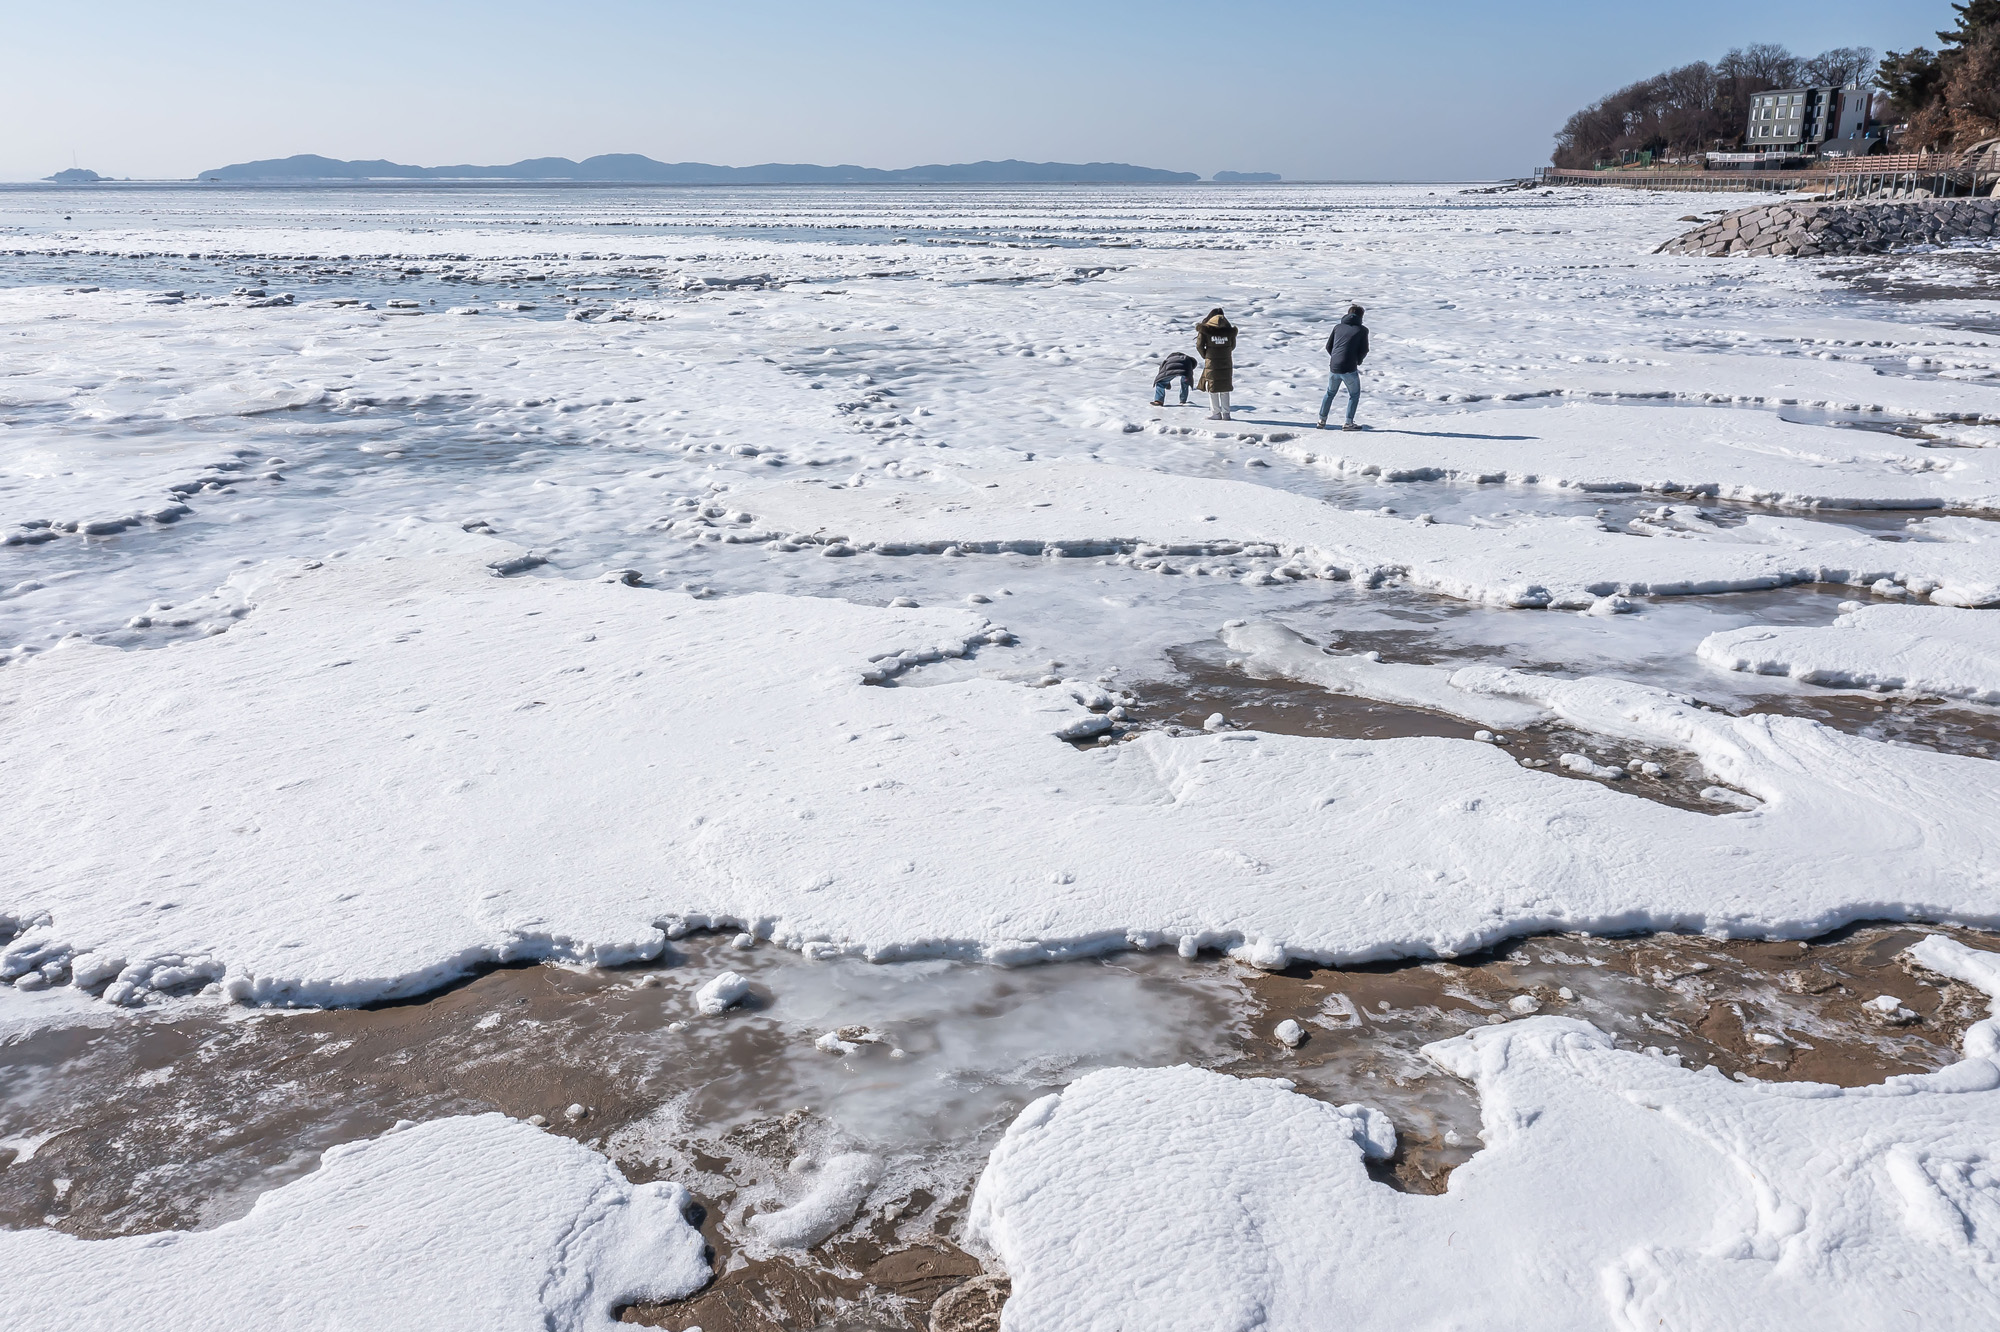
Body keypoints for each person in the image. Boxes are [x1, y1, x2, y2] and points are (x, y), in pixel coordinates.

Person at [1318, 305, 1369, 431]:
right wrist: (1358, 361)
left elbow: (1328, 346)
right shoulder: (1362, 330)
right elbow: (1364, 349)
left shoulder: (1337, 327)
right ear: (1361, 316)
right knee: (1354, 395)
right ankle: (1348, 423)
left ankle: (1321, 420)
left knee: (1330, 393)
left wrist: (1336, 359)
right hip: (1349, 368)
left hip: (1334, 367)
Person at [1195, 308, 1237, 420]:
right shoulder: (1229, 330)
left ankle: (1216, 413)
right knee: (1225, 387)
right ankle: (1226, 414)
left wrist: (1206, 355)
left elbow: (1199, 345)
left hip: (1212, 362)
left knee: (1212, 387)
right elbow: (1232, 346)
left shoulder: (1205, 329)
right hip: (1226, 361)